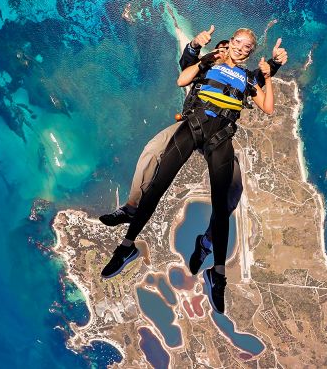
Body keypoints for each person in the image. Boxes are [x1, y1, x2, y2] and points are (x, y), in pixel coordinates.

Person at [100, 28, 276, 314]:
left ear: (250, 52)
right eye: (236, 44)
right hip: (192, 126)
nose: (240, 49)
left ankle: (216, 272)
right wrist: (200, 51)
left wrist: (270, 73)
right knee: (155, 178)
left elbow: (266, 103)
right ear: (228, 45)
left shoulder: (246, 78)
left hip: (220, 137)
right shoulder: (208, 65)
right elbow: (183, 75)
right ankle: (127, 241)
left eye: (247, 47)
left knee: (225, 204)